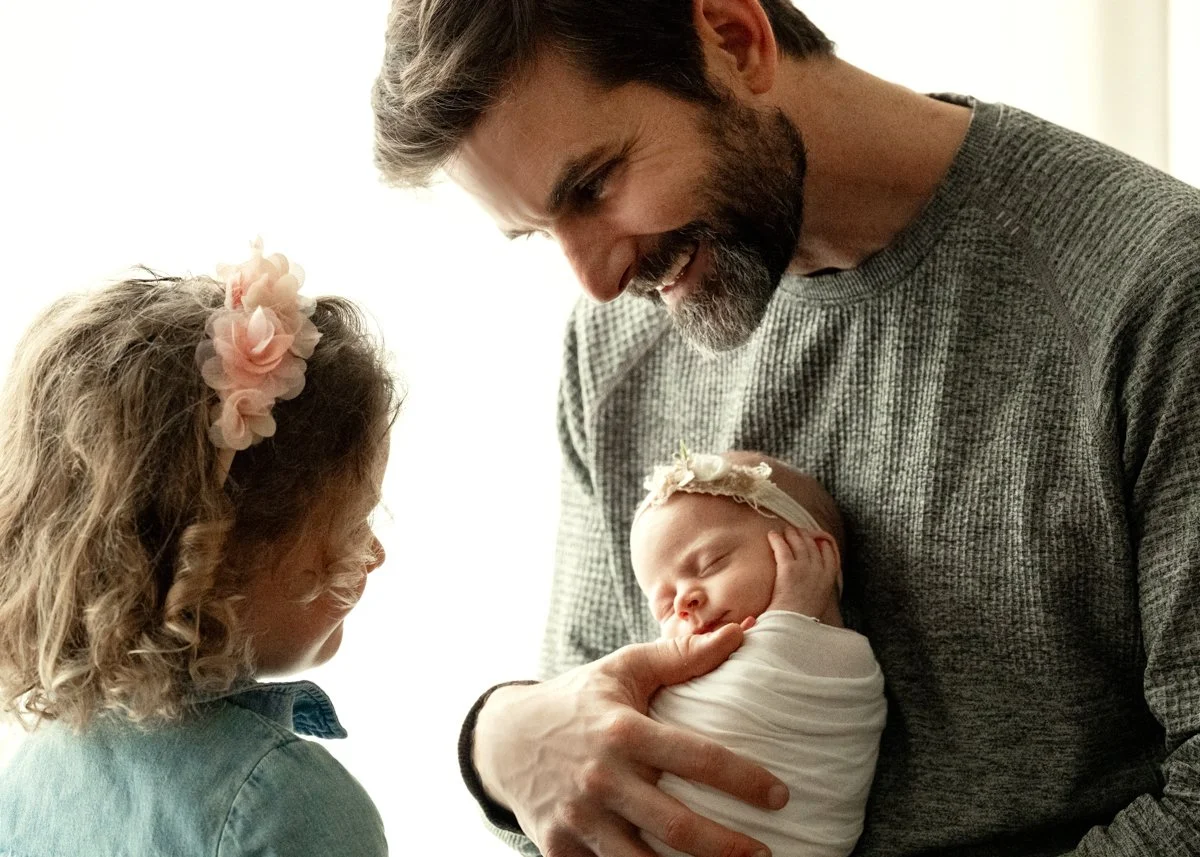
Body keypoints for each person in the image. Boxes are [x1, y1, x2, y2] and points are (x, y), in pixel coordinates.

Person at [372, 1, 1200, 855]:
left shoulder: (1154, 292)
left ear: (735, 40)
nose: (597, 278)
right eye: (540, 232)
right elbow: (592, 768)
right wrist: (494, 740)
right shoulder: (620, 341)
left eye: (593, 186)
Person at [0, 242, 400, 856]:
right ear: (214, 556)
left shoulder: (27, 779)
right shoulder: (287, 805)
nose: (373, 554)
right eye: (352, 523)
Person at [632, 448, 885, 857]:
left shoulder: (841, 664)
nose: (683, 602)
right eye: (663, 604)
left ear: (813, 552)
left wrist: (793, 609)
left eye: (711, 563)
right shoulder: (676, 666)